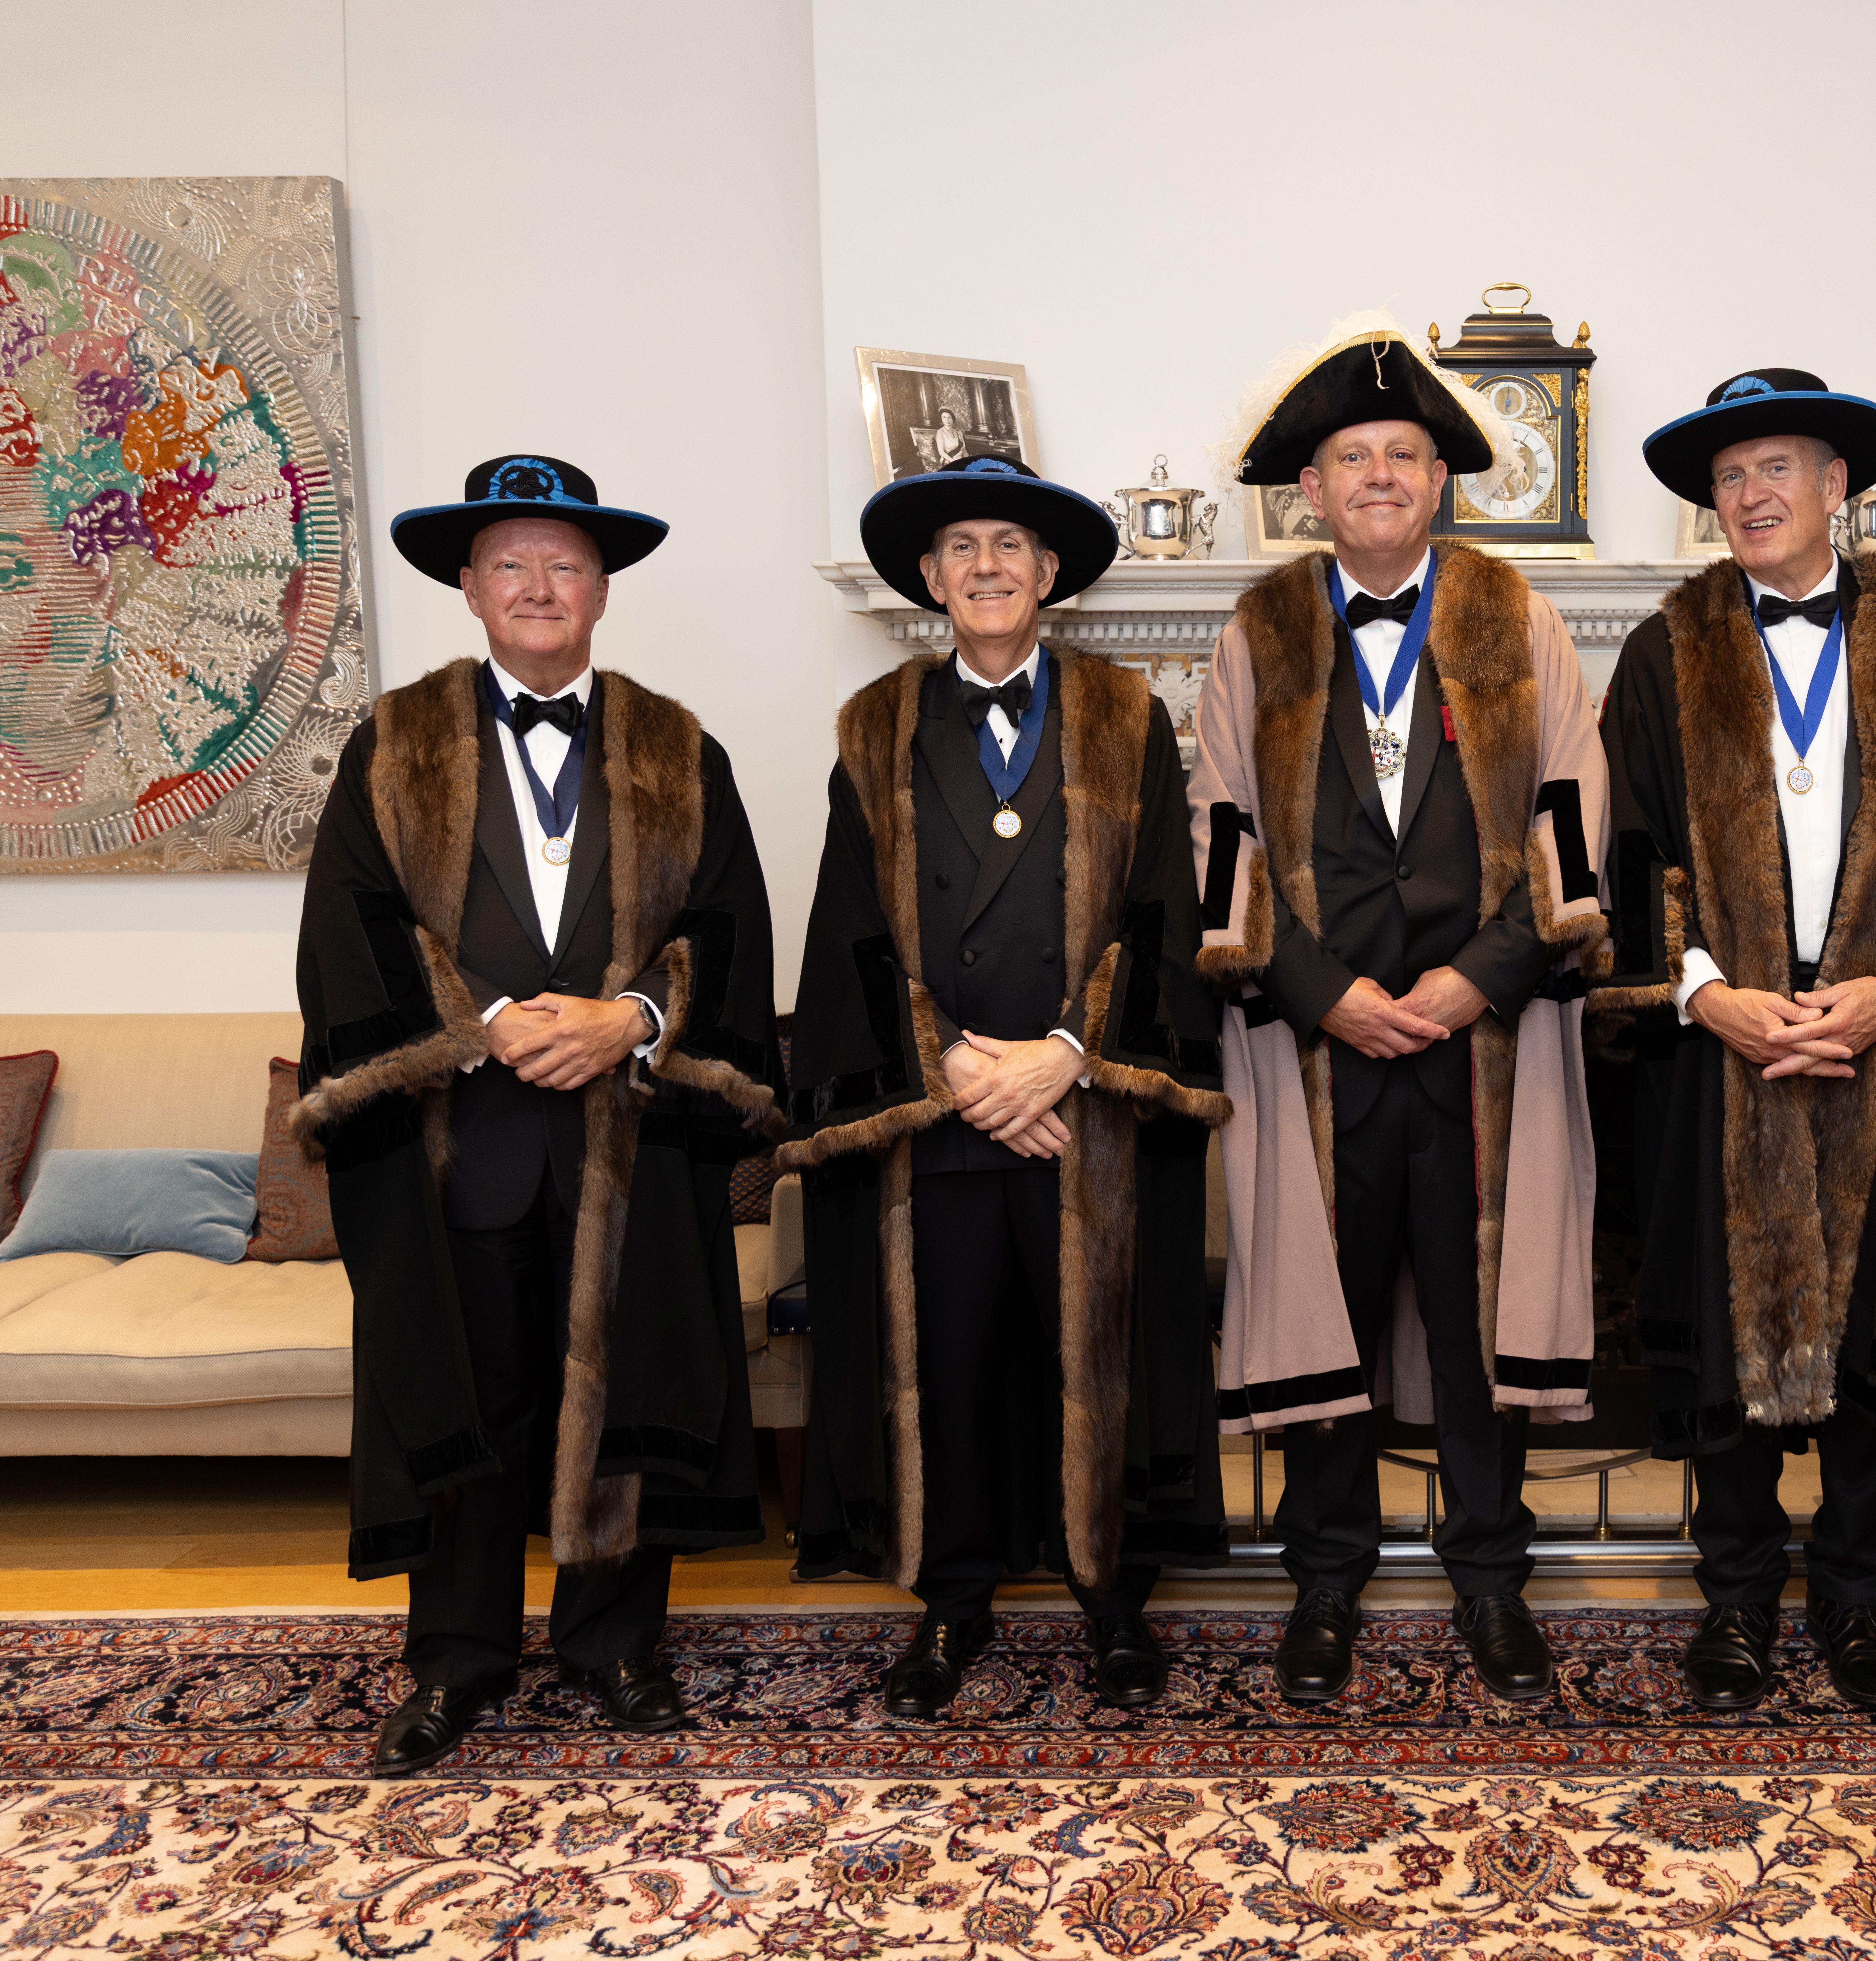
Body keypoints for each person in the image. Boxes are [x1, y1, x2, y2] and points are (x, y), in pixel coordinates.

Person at [293, 454, 781, 1776]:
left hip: (632, 1133)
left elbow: (731, 926)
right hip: (463, 1141)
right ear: (467, 586)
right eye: (510, 562)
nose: (539, 586)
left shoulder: (683, 747)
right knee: (465, 1394)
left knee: (625, 1389)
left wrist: (635, 1018)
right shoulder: (391, 745)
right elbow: (350, 927)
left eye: (565, 563)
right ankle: (458, 1662)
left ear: (604, 589)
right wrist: (490, 1025)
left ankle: (614, 1648)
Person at [1192, 323, 1609, 1705]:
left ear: (1442, 482)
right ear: (1310, 488)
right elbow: (1220, 840)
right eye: (1352, 458)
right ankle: (1328, 1580)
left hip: (1482, 1045)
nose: (1379, 477)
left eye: (1405, 457)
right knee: (1333, 1314)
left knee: (1484, 1318)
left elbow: (1570, 819)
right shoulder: (1260, 630)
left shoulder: (1515, 617)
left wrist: (1474, 980)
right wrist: (1327, 995)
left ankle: (1492, 1579)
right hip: (1323, 1049)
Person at [1597, 369, 1876, 1713]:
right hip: (1719, 1048)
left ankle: (1855, 1599)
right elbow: (1631, 854)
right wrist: (1707, 990)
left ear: (1841, 488)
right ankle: (1735, 1602)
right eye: (1732, 476)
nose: (1755, 495)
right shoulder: (1666, 648)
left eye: (1782, 467)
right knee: (1726, 1335)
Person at [781, 456, 1228, 1718]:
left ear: (1050, 575)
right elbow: (851, 926)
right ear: (928, 577)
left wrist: (1071, 1057)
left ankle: (1113, 1602)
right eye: (961, 548)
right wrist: (959, 1067)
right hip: (946, 1111)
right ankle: (952, 1601)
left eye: (1011, 547)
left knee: (1098, 1359)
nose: (986, 567)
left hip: (1078, 1109)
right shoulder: (873, 728)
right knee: (951, 1361)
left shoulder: (1129, 715)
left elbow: (1161, 910)